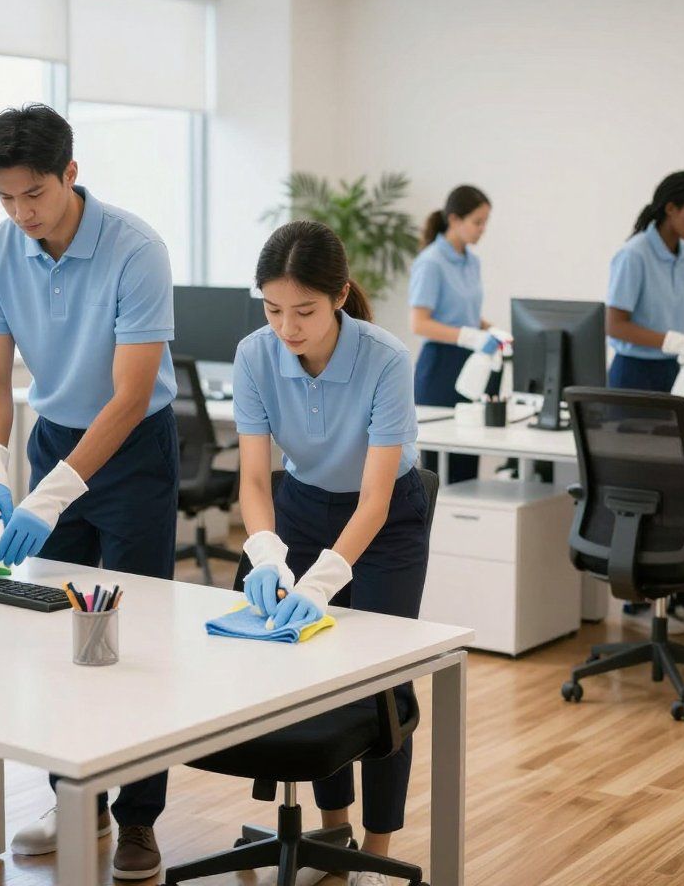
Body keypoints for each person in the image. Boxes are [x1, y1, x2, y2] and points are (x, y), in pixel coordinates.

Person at [0, 104, 178, 880]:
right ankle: (75, 799)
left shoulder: (135, 250)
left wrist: (49, 497)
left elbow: (128, 396)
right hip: (54, 440)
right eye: (6, 199)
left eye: (35, 195)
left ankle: (139, 820)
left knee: (133, 638)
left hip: (133, 454)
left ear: (71, 175)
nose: (22, 214)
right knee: (61, 631)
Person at [235, 220, 428, 886]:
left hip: (387, 516)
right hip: (301, 506)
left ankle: (377, 849)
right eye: (273, 308)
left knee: (378, 679)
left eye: (305, 311)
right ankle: (331, 834)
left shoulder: (385, 358)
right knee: (309, 669)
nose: (287, 327)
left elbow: (374, 500)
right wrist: (266, 552)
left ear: (340, 295)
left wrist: (320, 583)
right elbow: (255, 479)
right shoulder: (254, 354)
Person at [606, 169, 684, 631]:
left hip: (675, 377)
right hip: (635, 377)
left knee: (680, 488)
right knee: (641, 490)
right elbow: (615, 325)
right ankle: (639, 604)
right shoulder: (633, 255)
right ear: (671, 209)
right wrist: (674, 342)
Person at [409, 184, 507, 482]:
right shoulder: (431, 262)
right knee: (438, 465)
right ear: (454, 220)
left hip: (472, 363)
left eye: (485, 223)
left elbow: (466, 314)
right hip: (440, 365)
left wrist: (493, 330)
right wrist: (467, 335)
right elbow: (419, 323)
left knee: (468, 455)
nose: (482, 230)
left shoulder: (471, 261)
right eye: (477, 222)